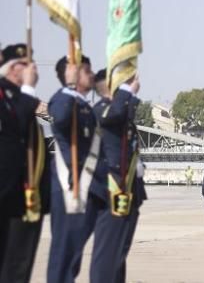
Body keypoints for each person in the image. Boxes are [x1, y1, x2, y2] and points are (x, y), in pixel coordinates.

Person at [46, 55, 100, 283]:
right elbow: (60, 118)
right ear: (74, 74)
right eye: (87, 71)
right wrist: (68, 86)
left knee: (74, 255)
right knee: (64, 253)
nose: (92, 74)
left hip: (87, 187)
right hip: (71, 186)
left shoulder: (83, 104)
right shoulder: (62, 100)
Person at [90, 72, 147, 283]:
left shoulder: (120, 114)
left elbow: (124, 115)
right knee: (107, 255)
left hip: (128, 191)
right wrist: (127, 90)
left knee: (118, 254)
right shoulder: (101, 110)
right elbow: (115, 114)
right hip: (112, 189)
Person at [0, 43, 47, 283]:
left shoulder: (19, 99)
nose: (32, 68)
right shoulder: (8, 97)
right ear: (10, 69)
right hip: (7, 197)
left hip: (24, 200)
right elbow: (12, 128)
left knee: (20, 268)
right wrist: (28, 90)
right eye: (24, 64)